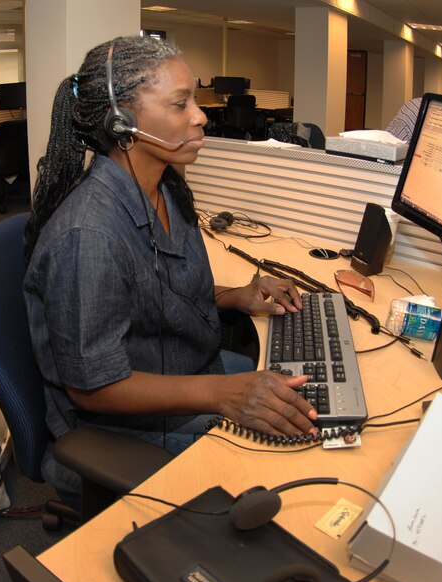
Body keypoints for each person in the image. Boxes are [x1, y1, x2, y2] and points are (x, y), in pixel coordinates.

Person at [23, 35, 318, 494]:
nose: (200, 116)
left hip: (188, 372)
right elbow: (91, 387)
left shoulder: (164, 189)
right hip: (122, 428)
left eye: (195, 101)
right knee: (292, 467)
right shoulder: (88, 236)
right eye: (181, 104)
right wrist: (222, 395)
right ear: (122, 123)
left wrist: (235, 297)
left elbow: (157, 292)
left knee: (313, 399)